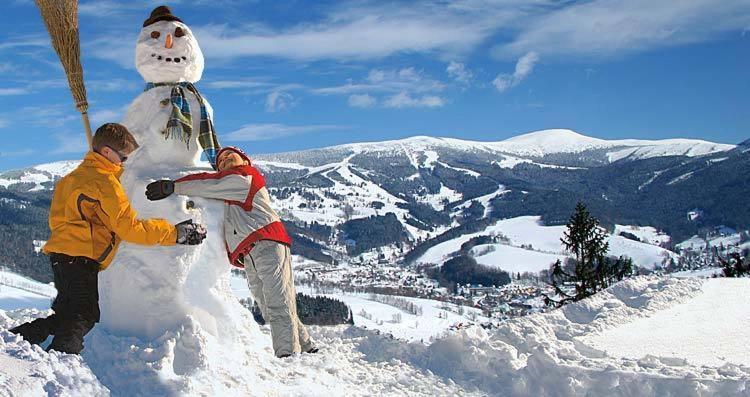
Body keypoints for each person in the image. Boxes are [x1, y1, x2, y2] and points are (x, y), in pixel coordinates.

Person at [10, 123, 207, 354]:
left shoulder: (71, 178)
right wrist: (176, 233)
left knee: (67, 315)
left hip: (61, 255)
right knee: (85, 314)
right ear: (106, 152)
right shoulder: (105, 185)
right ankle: (62, 355)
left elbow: (60, 219)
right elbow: (131, 229)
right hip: (80, 257)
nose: (124, 162)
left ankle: (17, 338)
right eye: (123, 157)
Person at [145, 146, 317, 358]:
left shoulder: (245, 178)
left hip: (268, 244)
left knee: (277, 301)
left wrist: (173, 187)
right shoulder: (232, 187)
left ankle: (288, 355)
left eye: (230, 155)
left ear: (245, 160)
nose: (225, 159)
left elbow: (211, 184)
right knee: (268, 302)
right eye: (221, 160)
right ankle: (307, 345)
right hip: (252, 252)